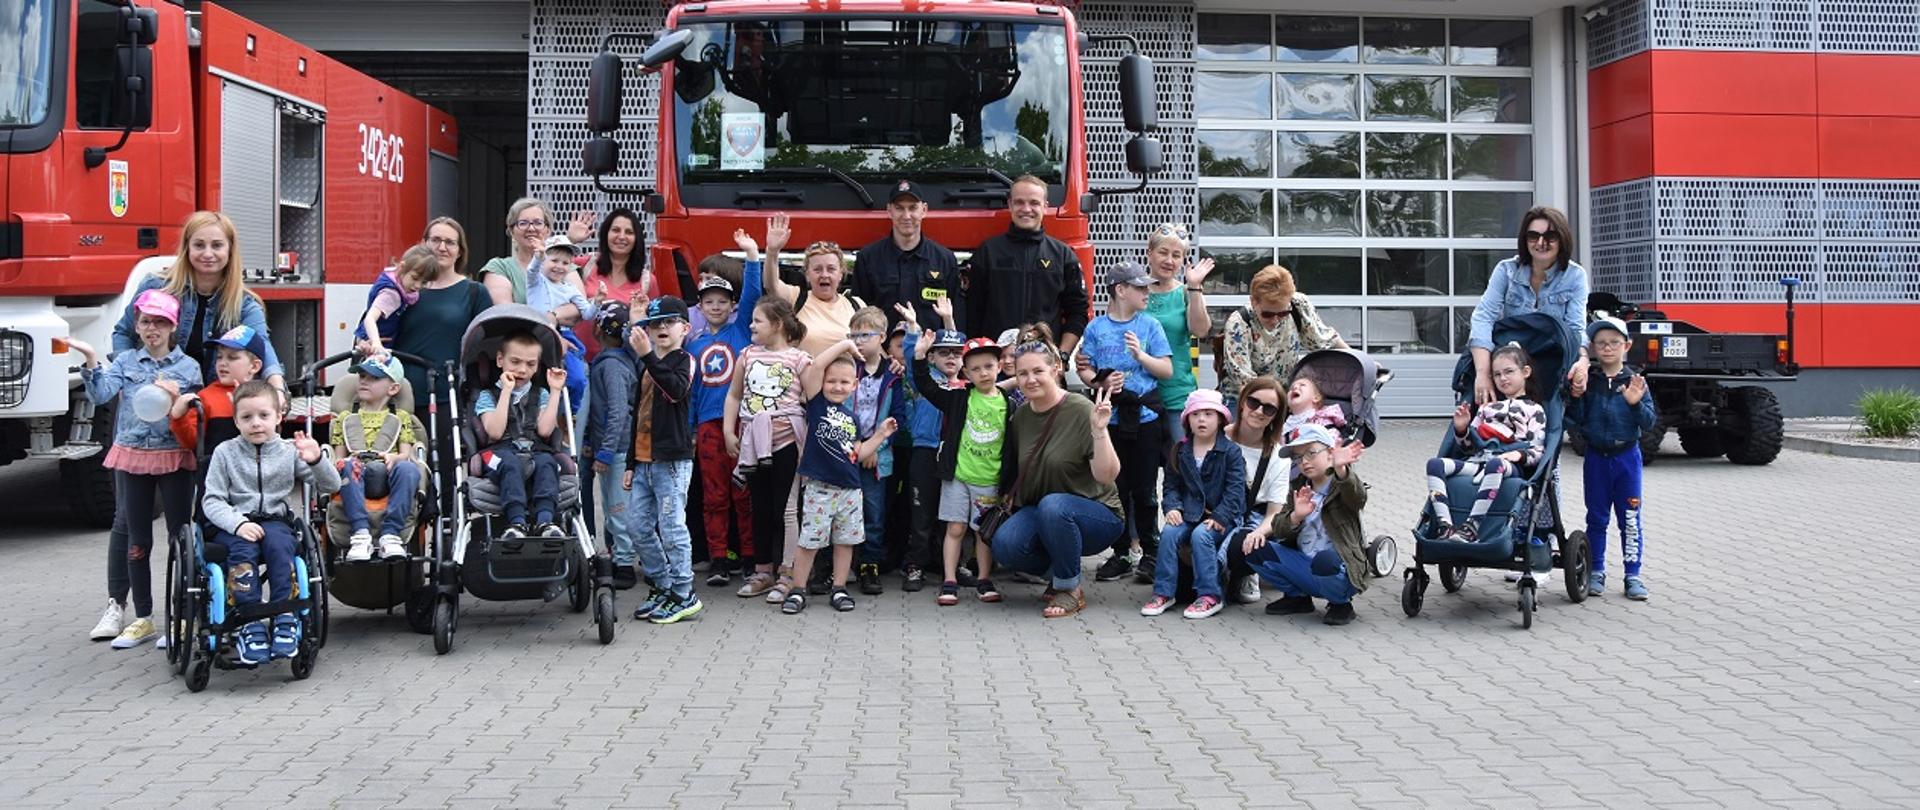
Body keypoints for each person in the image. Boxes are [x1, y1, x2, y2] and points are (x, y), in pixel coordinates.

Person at [70, 289, 202, 649]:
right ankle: (143, 618)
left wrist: (180, 396)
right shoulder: (126, 361)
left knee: (180, 537)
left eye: (160, 322)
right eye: (146, 321)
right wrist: (92, 360)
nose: (152, 328)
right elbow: (101, 394)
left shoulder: (188, 367)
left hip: (174, 456)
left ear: (173, 326)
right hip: (132, 455)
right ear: (138, 326)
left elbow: (196, 415)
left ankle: (182, 615)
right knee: (137, 540)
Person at [201, 381, 340, 663]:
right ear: (235, 420)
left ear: (279, 417)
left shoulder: (288, 451)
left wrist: (316, 460)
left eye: (264, 416)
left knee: (280, 545)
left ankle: (284, 614)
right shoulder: (224, 453)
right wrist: (238, 524)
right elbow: (211, 501)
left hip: (275, 520)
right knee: (243, 550)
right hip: (234, 523)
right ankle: (248, 621)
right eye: (247, 417)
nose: (256, 424)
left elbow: (331, 484)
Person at [987, 341, 1126, 619]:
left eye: (1038, 371)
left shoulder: (1079, 409)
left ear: (1056, 369)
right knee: (1004, 544)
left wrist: (1100, 431)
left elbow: (1107, 475)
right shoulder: (1022, 415)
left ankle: (1069, 588)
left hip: (1096, 513)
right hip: (1045, 511)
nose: (1030, 379)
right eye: (1022, 373)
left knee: (1054, 506)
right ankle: (1062, 569)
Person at [780, 340, 900, 614]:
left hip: (850, 490)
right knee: (809, 541)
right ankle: (798, 589)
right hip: (819, 488)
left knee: (845, 542)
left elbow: (858, 452)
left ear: (854, 386)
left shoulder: (853, 418)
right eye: (831, 381)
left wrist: (881, 434)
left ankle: (840, 587)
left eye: (844, 382)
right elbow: (818, 365)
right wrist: (846, 345)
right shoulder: (816, 404)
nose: (837, 386)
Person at [1076, 261, 1173, 585]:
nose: (1147, 292)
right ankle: (1119, 553)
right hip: (1110, 419)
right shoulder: (1096, 328)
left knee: (1145, 489)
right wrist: (1101, 383)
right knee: (1114, 487)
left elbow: (1166, 370)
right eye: (1140, 287)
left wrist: (1140, 357)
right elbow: (1085, 369)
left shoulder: (1150, 326)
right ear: (1120, 290)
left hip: (1144, 419)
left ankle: (1151, 551)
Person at [113, 210, 284, 390]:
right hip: (157, 398)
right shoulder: (156, 287)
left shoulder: (244, 304)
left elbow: (262, 347)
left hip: (213, 405)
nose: (208, 253)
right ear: (187, 249)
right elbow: (123, 333)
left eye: (217, 245)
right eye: (199, 245)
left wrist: (278, 389)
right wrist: (131, 379)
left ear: (230, 250)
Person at [907, 319, 1010, 607]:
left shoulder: (1008, 403)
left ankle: (984, 579)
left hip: (989, 479)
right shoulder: (959, 398)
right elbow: (927, 387)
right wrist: (918, 357)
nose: (983, 373)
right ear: (966, 373)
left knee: (982, 533)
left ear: (999, 366)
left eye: (989, 366)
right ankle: (949, 579)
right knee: (955, 529)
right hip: (958, 477)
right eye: (975, 368)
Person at [689, 229, 768, 587]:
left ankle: (750, 556)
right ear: (700, 307)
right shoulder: (693, 345)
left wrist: (752, 257)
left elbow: (753, 294)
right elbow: (690, 391)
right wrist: (691, 428)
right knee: (714, 494)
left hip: (742, 425)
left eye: (723, 301)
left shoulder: (740, 333)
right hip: (707, 427)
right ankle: (719, 557)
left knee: (744, 493)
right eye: (709, 302)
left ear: (733, 305)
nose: (716, 307)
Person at [1231, 423, 1369, 626]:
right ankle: (1297, 597)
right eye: (1298, 457)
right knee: (1246, 544)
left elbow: (1357, 498)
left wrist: (1341, 469)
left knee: (1325, 561)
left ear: (1330, 453)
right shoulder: (1298, 488)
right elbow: (1278, 527)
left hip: (1338, 570)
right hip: (1304, 566)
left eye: (1311, 453)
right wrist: (1296, 516)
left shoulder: (1341, 484)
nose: (1304, 462)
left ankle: (1340, 604)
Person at [724, 298, 811, 601]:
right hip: (753, 442)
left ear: (777, 325)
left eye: (757, 320)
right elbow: (734, 396)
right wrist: (728, 430)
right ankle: (763, 570)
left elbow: (813, 400)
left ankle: (788, 573)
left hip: (787, 442)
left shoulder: (800, 359)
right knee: (758, 507)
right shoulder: (746, 355)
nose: (751, 326)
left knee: (786, 509)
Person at [624, 297, 702, 624]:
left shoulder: (684, 359)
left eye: (668, 323)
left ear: (685, 327)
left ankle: (684, 592)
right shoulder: (647, 364)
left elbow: (676, 391)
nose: (660, 329)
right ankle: (662, 582)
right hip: (644, 460)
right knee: (638, 526)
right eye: (654, 324)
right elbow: (638, 415)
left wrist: (646, 356)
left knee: (671, 527)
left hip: (671, 460)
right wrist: (630, 462)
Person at [1568, 316, 1656, 601]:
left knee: (1630, 519)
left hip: (1627, 459)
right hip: (1596, 459)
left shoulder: (1636, 381)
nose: (1607, 348)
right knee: (1596, 518)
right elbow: (1576, 420)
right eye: (1601, 343)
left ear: (1626, 346)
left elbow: (1650, 422)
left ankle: (1633, 575)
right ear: (1592, 347)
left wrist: (1634, 404)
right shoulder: (1588, 380)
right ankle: (1596, 572)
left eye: (1614, 343)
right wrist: (1577, 396)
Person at [1424, 343, 1548, 545]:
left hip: (1509, 465)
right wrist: (1462, 429)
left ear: (1525, 372)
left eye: (1509, 372)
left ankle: (1472, 526)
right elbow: (1468, 448)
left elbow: (1537, 451)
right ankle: (1445, 525)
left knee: (1495, 464)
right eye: (1497, 374)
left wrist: (1518, 456)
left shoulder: (1534, 409)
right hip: (1480, 459)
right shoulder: (1486, 409)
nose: (1503, 378)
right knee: (1435, 464)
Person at [1469, 206, 1589, 405]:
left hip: (1549, 366)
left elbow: (1575, 330)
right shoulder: (1506, 270)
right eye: (1533, 236)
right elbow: (1483, 316)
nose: (1541, 243)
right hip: (1510, 363)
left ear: (1562, 239)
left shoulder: (1575, 276)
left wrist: (1583, 362)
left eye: (1550, 236)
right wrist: (1483, 374)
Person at [1141, 389, 1244, 620]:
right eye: (1196, 414)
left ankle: (1210, 594)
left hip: (1221, 517)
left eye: (1209, 414)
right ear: (1187, 419)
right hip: (1188, 513)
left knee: (1201, 536)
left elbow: (1235, 490)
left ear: (1220, 419)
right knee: (1168, 533)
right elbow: (1171, 485)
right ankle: (1164, 591)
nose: (1202, 419)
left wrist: (1220, 516)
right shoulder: (1180, 450)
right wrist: (1173, 507)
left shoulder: (1230, 452)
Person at [964, 175, 1089, 357]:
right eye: (1019, 202)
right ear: (1010, 204)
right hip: (996, 366)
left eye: (1034, 203)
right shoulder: (988, 252)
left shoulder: (1063, 255)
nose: (1026, 209)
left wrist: (1061, 356)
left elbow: (1078, 313)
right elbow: (972, 312)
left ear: (1045, 206)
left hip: (1044, 365)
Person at [474, 331, 570, 540]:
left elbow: (545, 431)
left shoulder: (540, 394)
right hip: (498, 451)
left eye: (530, 364)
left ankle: (545, 520)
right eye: (515, 362)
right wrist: (506, 392)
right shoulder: (487, 395)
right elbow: (495, 431)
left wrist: (555, 391)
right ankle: (516, 522)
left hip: (534, 449)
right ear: (500, 360)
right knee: (509, 463)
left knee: (547, 462)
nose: (522, 370)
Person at [842, 305, 910, 596]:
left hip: (877, 459)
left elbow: (898, 420)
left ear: (882, 337)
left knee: (874, 513)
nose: (857, 340)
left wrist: (873, 449)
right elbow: (839, 411)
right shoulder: (846, 370)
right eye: (852, 334)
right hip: (846, 454)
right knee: (841, 511)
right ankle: (836, 566)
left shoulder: (893, 377)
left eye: (864, 334)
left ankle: (870, 565)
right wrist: (857, 447)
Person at [331, 355, 425, 562]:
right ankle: (360, 533)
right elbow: (338, 458)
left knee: (409, 468)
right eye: (362, 376)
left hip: (388, 474)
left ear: (392, 389)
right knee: (346, 466)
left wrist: (394, 457)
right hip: (356, 474)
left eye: (373, 378)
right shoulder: (345, 419)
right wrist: (345, 462)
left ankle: (391, 534)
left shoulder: (400, 418)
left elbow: (405, 453)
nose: (364, 381)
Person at [898, 310, 966, 595]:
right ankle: (915, 564)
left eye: (956, 353)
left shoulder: (967, 386)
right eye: (943, 353)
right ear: (931, 357)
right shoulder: (924, 380)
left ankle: (950, 564)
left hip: (955, 455)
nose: (951, 358)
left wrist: (950, 320)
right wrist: (913, 331)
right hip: (925, 452)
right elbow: (913, 367)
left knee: (951, 512)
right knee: (921, 512)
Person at [1218, 264, 1348, 405]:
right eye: (1267, 314)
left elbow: (1326, 340)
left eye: (1283, 313)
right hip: (1245, 398)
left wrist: (1361, 362)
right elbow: (1245, 383)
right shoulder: (1239, 324)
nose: (1275, 320)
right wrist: (1270, 411)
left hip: (1284, 396)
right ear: (1253, 302)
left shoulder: (1298, 305)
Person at [1141, 223, 1217, 443]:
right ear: (1149, 254)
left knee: (1184, 462)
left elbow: (1201, 330)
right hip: (1141, 392)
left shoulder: (1186, 291)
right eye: (1163, 252)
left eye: (1177, 255)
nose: (1169, 260)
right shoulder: (1134, 290)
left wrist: (1194, 287)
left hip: (1177, 392)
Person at [854, 180, 964, 331]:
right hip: (883, 352)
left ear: (924, 210)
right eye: (899, 208)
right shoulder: (867, 259)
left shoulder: (945, 260)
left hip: (931, 352)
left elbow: (956, 315)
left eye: (913, 208)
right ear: (889, 211)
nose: (906, 216)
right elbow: (859, 317)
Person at [583, 303, 640, 585]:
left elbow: (618, 410)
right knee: (613, 505)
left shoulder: (612, 366)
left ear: (598, 329)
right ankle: (619, 556)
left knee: (618, 508)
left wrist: (604, 450)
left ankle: (625, 565)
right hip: (613, 447)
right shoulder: (616, 360)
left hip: (617, 449)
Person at [1224, 378, 1289, 606]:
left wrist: (1258, 534)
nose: (1259, 411)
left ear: (1276, 416)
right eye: (1254, 402)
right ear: (1242, 402)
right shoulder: (1217, 437)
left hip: (1253, 519)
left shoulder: (1278, 455)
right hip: (1217, 516)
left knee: (1246, 542)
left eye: (1269, 408)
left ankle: (1246, 572)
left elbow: (1274, 513)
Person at [759, 215, 859, 356]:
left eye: (831, 269)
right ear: (807, 274)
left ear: (841, 274)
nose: (824, 275)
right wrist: (772, 252)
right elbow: (771, 285)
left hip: (846, 377)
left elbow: (874, 347)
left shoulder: (856, 305)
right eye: (817, 269)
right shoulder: (796, 297)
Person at [478, 198, 593, 310]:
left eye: (538, 223)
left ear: (548, 230)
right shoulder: (499, 267)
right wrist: (550, 317)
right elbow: (506, 310)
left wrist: (553, 316)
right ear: (512, 231)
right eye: (523, 223)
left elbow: (580, 309)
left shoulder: (564, 265)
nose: (531, 228)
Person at [168, 324, 265, 454]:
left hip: (257, 470)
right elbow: (191, 442)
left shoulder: (265, 395)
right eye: (219, 356)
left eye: (232, 357)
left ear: (254, 366)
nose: (222, 362)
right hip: (217, 471)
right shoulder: (206, 396)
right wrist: (178, 417)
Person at [577, 208, 655, 358]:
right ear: (605, 234)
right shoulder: (587, 264)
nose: (621, 236)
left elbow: (651, 328)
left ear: (637, 238)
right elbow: (549, 263)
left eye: (629, 232)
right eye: (615, 230)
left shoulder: (647, 280)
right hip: (579, 361)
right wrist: (571, 240)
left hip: (620, 363)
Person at [355, 244, 438, 354]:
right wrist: (376, 343)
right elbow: (370, 318)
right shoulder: (391, 294)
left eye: (423, 282)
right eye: (415, 278)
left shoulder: (396, 277)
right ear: (402, 267)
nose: (418, 285)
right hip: (375, 342)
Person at [1280, 376, 1347, 435]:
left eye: (1302, 385)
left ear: (1316, 398)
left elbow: (1332, 437)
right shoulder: (1286, 425)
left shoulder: (1320, 420)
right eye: (1291, 388)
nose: (1295, 387)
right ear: (1289, 408)